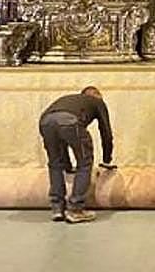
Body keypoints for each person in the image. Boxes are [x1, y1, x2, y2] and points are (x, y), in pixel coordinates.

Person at [38, 86, 115, 223]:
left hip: (45, 121)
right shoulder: (97, 102)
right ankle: (75, 209)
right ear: (97, 95)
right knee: (85, 162)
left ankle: (57, 208)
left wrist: (67, 167)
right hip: (70, 121)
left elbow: (62, 138)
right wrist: (107, 160)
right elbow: (105, 132)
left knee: (55, 163)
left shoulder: (70, 100)